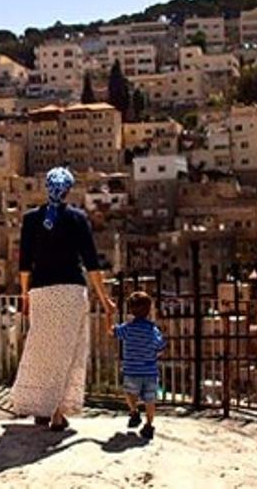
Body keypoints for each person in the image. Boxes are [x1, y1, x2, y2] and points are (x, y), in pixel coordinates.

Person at [10, 166, 115, 431]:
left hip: (41, 292)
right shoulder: (78, 219)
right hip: (70, 293)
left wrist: (25, 296)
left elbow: (24, 264)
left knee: (42, 350)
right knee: (67, 353)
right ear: (67, 191)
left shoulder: (31, 219)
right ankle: (56, 411)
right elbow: (92, 265)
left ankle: (41, 407)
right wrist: (104, 300)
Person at [112, 290, 166, 440]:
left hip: (131, 370)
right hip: (150, 371)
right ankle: (149, 425)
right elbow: (161, 346)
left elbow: (113, 332)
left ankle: (134, 411)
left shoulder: (127, 328)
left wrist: (109, 314)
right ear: (149, 310)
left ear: (130, 310)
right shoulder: (152, 329)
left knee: (129, 392)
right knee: (150, 399)